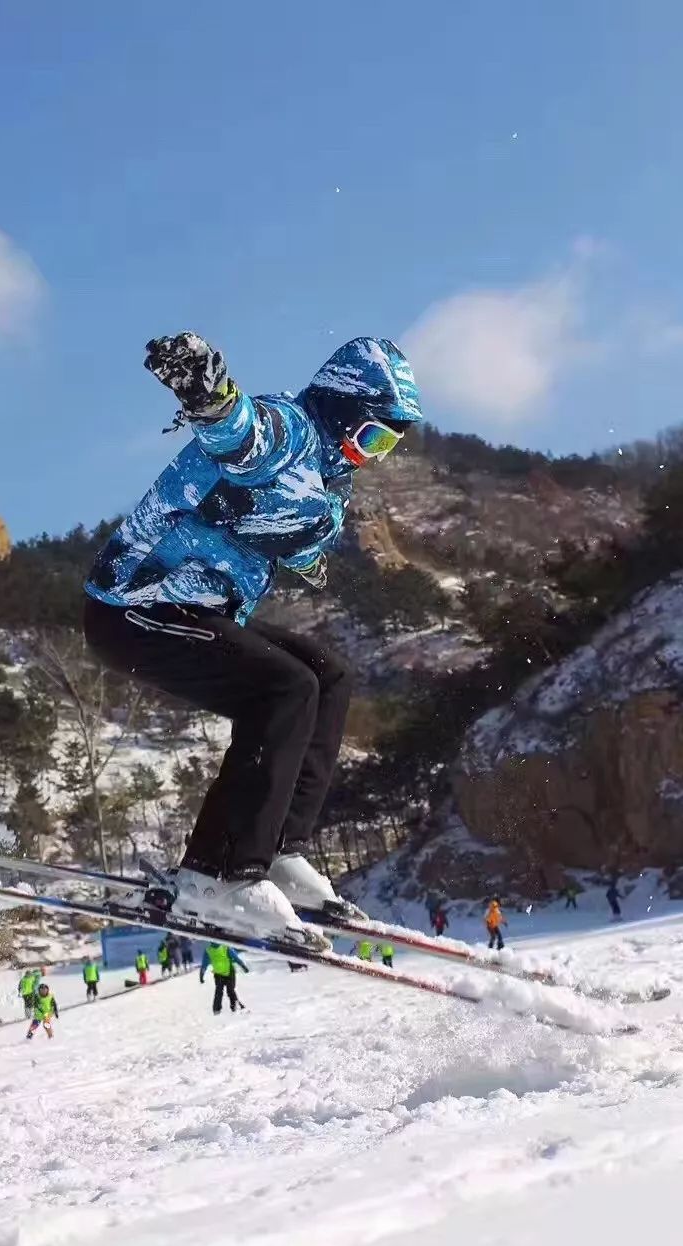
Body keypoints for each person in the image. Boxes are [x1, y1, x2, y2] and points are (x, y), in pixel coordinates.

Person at [82, 333, 421, 945]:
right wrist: (211, 396)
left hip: (196, 611)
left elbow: (298, 532)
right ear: (342, 407)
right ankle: (219, 874)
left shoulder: (326, 480)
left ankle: (279, 852)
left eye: (387, 444)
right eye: (372, 435)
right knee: (283, 688)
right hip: (136, 606)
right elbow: (242, 435)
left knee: (327, 674)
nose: (373, 454)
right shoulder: (289, 431)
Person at [200, 943, 249, 1015]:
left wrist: (201, 975)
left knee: (223, 991)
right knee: (227, 991)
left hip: (227, 972)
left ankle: (222, 1009)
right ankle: (226, 1008)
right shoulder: (218, 948)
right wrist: (243, 966)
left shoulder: (219, 948)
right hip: (222, 974)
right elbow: (236, 958)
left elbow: (204, 965)